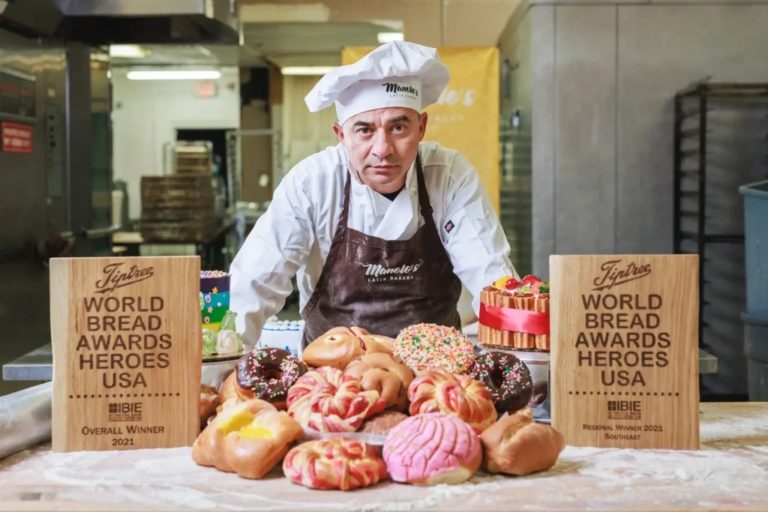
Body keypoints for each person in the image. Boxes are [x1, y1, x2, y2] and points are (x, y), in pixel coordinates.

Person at [231, 40, 516, 347]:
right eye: (365, 130)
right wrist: (221, 371)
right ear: (341, 135)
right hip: (330, 378)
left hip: (436, 376)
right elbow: (254, 282)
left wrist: (522, 358)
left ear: (421, 128)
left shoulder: (448, 175)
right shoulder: (311, 183)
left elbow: (490, 274)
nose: (382, 150)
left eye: (398, 128)